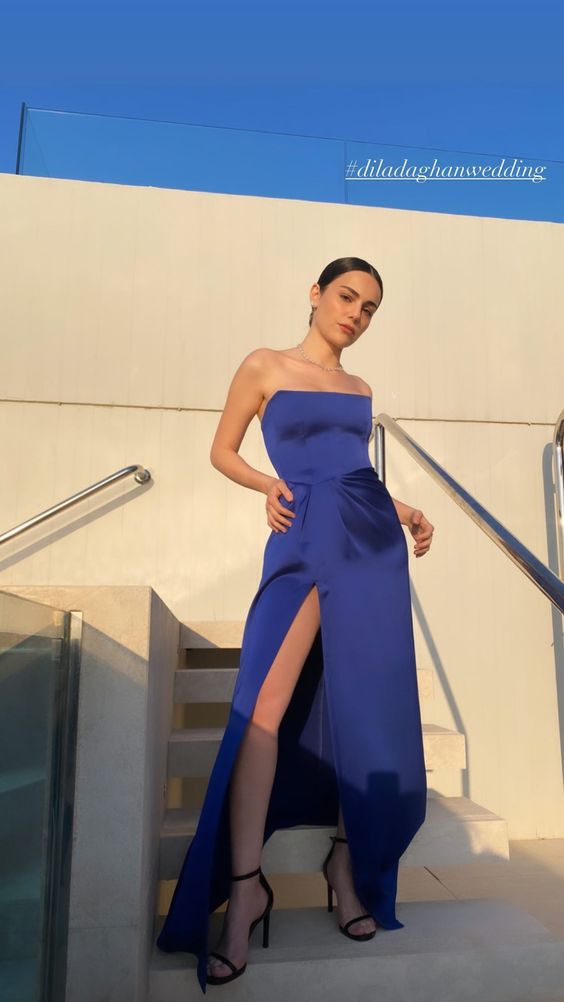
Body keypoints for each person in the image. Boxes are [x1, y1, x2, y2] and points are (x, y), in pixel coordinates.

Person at [156, 256, 434, 992]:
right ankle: (245, 885)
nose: (355, 315)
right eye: (346, 297)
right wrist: (265, 484)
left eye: (369, 308)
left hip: (368, 545)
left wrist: (404, 510)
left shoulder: (360, 389)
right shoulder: (264, 365)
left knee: (361, 708)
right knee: (262, 712)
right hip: (302, 537)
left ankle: (347, 862)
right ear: (316, 294)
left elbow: (357, 474)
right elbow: (222, 451)